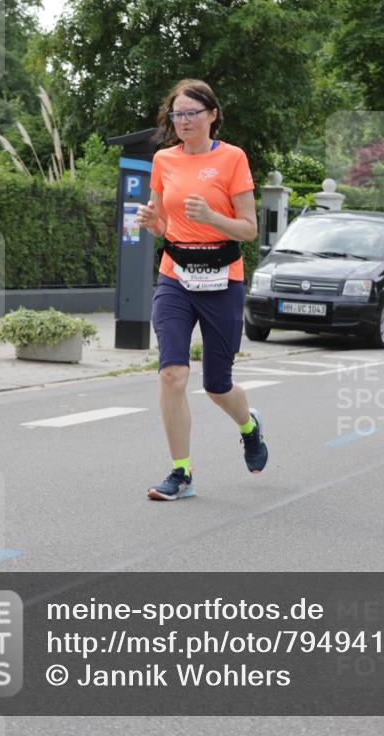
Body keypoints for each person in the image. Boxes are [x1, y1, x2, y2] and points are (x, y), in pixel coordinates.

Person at [137, 79, 268, 500]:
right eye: (177, 114)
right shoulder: (162, 159)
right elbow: (163, 224)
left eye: (193, 112)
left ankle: (249, 426)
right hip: (175, 275)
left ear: (212, 114)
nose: (184, 121)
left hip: (221, 277)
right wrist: (150, 221)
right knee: (173, 373)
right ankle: (181, 473)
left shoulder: (232, 158)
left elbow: (248, 229)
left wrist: (212, 216)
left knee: (217, 385)